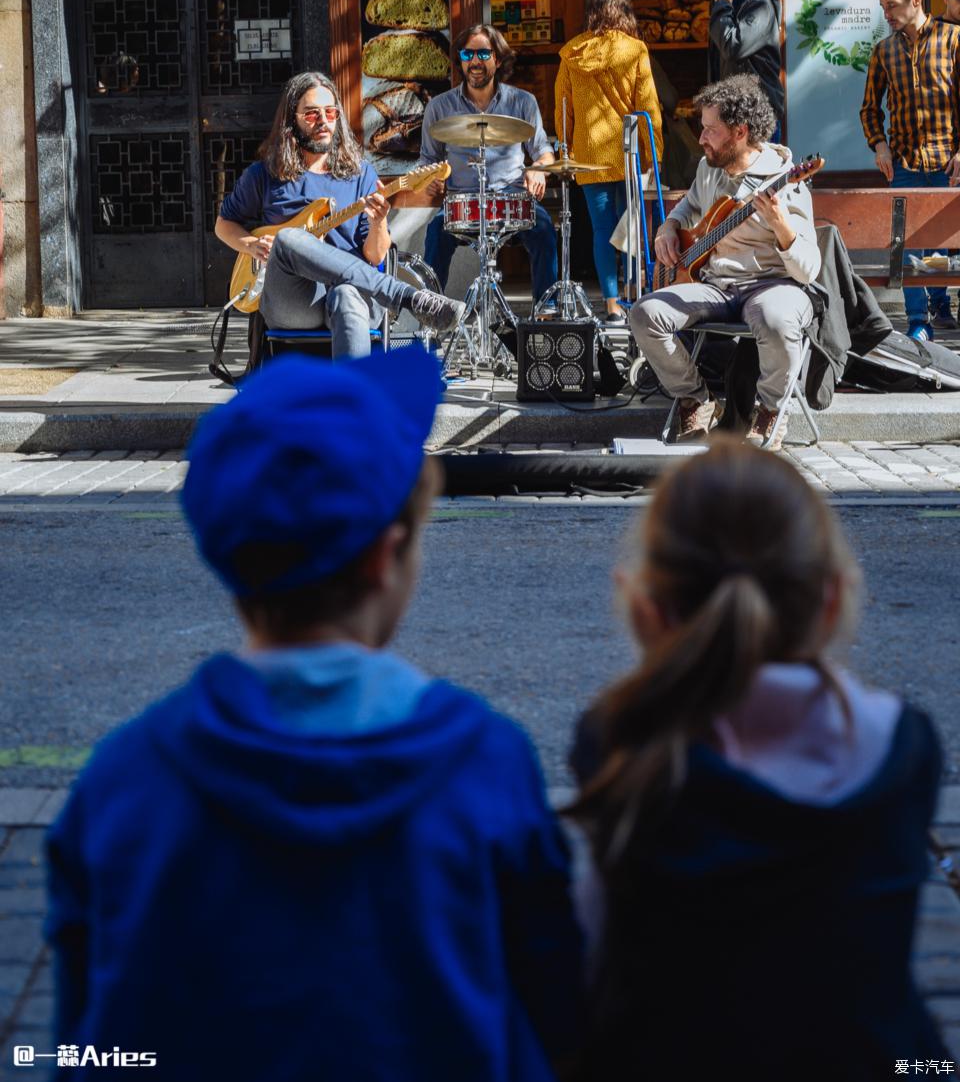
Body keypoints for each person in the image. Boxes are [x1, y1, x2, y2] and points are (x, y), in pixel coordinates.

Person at [45, 347, 584, 1082]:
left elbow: (85, 1037)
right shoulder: (489, 765)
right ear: (385, 558)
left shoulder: (122, 780)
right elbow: (555, 1014)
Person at [566, 439, 945, 1082]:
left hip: (665, 1059)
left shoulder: (619, 740)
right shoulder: (906, 748)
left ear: (646, 608)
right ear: (832, 601)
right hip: (881, 1060)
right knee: (931, 1064)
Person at [214, 70, 465, 357]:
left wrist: (378, 222)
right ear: (291, 120)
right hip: (295, 301)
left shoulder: (361, 175)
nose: (323, 121)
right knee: (287, 239)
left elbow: (375, 257)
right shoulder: (264, 174)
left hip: (353, 295)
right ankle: (404, 296)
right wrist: (250, 244)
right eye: (311, 114)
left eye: (331, 112)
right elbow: (224, 224)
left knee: (347, 294)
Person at [630, 73, 820, 450]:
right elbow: (689, 207)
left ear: (740, 132)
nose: (700, 139)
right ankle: (696, 399)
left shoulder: (787, 179)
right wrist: (669, 226)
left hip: (772, 283)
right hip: (716, 285)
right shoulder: (709, 168)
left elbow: (809, 269)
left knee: (776, 319)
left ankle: (769, 410)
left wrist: (782, 226)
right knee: (644, 313)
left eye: (710, 130)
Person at [419, 24, 558, 306]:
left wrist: (538, 168)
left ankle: (547, 311)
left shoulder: (522, 102)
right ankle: (430, 315)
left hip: (511, 198)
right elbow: (427, 159)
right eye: (468, 54)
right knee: (435, 233)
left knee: (543, 228)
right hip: (462, 201)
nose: (475, 61)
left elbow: (544, 151)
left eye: (484, 53)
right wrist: (432, 178)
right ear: (460, 59)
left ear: (497, 58)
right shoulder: (439, 107)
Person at [860, 0, 960, 341]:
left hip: (947, 162)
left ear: (916, 1)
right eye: (883, 6)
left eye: (892, 5)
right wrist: (879, 145)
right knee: (906, 247)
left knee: (940, 247)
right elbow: (870, 108)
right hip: (904, 164)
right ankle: (919, 321)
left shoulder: (953, 39)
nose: (886, 13)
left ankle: (940, 300)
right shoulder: (883, 51)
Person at [555, 0, 663, 324]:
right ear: (624, 15)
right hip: (627, 151)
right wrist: (654, 152)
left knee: (603, 230)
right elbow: (648, 105)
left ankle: (612, 304)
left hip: (589, 153)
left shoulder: (572, 53)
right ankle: (636, 294)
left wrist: (566, 149)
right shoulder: (635, 50)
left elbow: (563, 109)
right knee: (632, 226)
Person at [701, 0, 785, 142]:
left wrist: (722, 4)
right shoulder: (727, 9)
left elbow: (734, 47)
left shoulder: (759, 5)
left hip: (756, 122)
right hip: (731, 119)